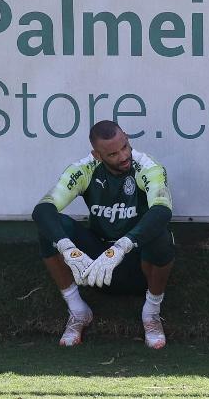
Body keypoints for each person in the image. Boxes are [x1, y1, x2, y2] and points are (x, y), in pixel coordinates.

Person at [32, 120, 175, 349]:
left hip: (137, 261)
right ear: (97, 155)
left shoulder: (147, 166)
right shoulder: (84, 168)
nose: (123, 156)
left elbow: (162, 210)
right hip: (96, 262)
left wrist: (122, 247)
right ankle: (78, 310)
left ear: (127, 138)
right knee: (52, 227)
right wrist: (68, 249)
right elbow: (43, 209)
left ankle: (151, 313)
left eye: (125, 147)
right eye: (112, 154)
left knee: (161, 235)